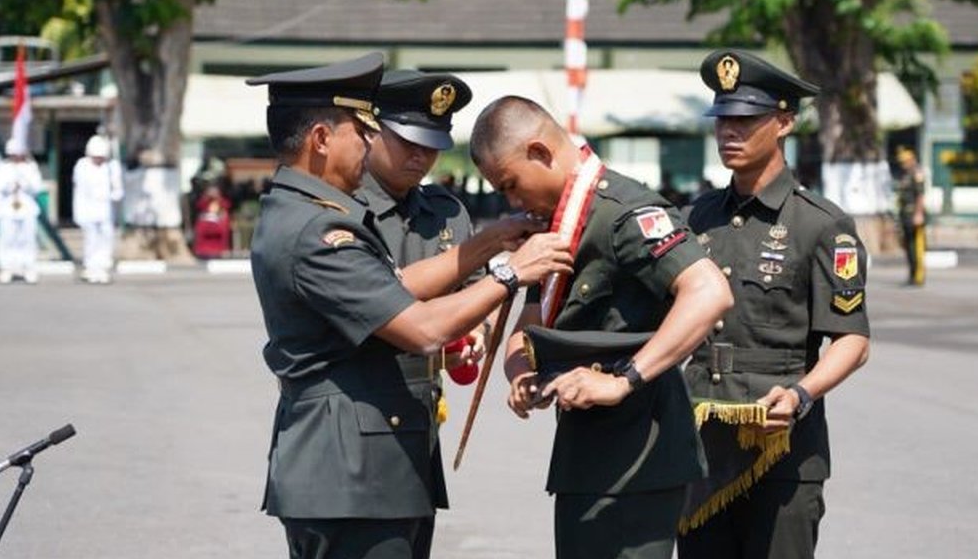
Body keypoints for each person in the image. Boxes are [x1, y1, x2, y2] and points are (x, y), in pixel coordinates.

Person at [245, 53, 571, 559]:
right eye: (361, 131)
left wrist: (492, 242)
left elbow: (397, 284)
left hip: (371, 470)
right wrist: (511, 273)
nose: (368, 142)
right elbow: (421, 329)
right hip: (352, 477)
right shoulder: (317, 230)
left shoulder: (308, 213)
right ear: (321, 139)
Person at [470, 96, 733, 559]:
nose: (511, 201)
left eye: (511, 184)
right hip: (584, 451)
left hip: (639, 454)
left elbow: (710, 292)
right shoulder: (560, 225)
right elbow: (531, 324)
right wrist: (521, 373)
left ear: (540, 152)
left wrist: (623, 379)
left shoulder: (622, 211)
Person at [677, 49, 871, 559]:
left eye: (745, 120)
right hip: (703, 444)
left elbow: (852, 339)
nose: (729, 132)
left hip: (782, 447)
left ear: (784, 122)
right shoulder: (694, 218)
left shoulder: (821, 224)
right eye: (722, 120)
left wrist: (802, 395)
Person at [359, 68, 544, 557]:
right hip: (357, 419)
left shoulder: (446, 211)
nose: (420, 156)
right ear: (372, 130)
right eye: (408, 142)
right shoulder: (343, 211)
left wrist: (479, 331)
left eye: (432, 145)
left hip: (420, 418)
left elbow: (477, 292)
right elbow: (377, 300)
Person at [0, 139, 44, 284]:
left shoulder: (31, 167)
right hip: (8, 208)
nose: (16, 157)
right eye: (13, 154)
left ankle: (28, 267)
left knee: (27, 239)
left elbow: (37, 187)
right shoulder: (3, 167)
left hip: (26, 208)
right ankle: (7, 268)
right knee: (8, 239)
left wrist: (24, 182)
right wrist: (9, 184)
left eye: (19, 154)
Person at [72, 135, 124, 284]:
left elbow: (118, 190)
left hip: (106, 210)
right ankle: (90, 267)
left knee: (106, 238)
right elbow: (80, 190)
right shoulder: (82, 166)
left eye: (101, 157)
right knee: (91, 239)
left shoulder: (111, 167)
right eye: (96, 157)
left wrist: (114, 194)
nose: (98, 160)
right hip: (88, 209)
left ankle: (103, 267)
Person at [894, 147, 925, 286]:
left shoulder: (917, 174)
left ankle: (918, 276)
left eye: (905, 161)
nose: (903, 164)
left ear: (912, 160)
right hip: (905, 215)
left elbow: (920, 196)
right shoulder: (904, 175)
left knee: (916, 247)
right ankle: (911, 275)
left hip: (914, 215)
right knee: (908, 247)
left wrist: (919, 214)